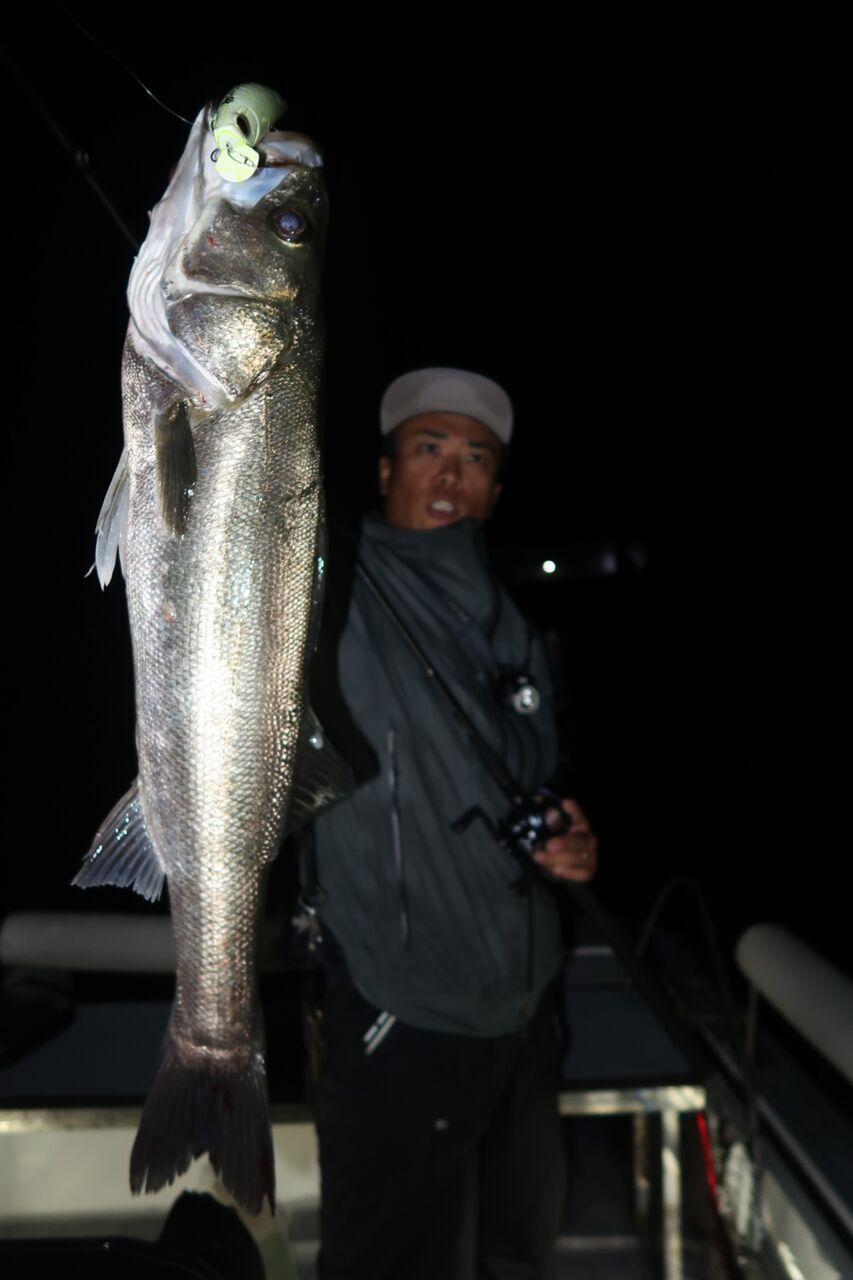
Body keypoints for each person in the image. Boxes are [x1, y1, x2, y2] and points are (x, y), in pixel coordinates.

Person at [301, 368, 598, 1280]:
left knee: (515, 1253)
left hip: (525, 1011)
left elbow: (531, 783)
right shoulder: (329, 585)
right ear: (384, 470)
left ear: (495, 491)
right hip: (400, 1014)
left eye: (475, 459)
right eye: (428, 448)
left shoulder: (510, 621)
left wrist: (566, 842)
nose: (449, 474)